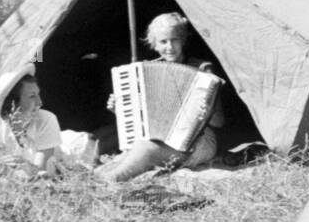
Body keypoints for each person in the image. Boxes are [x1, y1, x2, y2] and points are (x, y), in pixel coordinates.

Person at [95, 13, 224, 184]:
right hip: (159, 139)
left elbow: (219, 122)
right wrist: (120, 109)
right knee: (131, 148)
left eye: (175, 40)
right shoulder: (145, 71)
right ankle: (106, 178)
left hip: (200, 141)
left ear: (183, 40)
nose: (169, 46)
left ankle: (108, 182)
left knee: (144, 149)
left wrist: (209, 111)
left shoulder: (202, 70)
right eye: (163, 41)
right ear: (154, 44)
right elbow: (139, 121)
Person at [0, 71, 62, 177]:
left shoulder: (47, 119)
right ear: (12, 101)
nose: (40, 102)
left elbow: (41, 169)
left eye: (38, 94)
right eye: (32, 96)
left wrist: (25, 164)